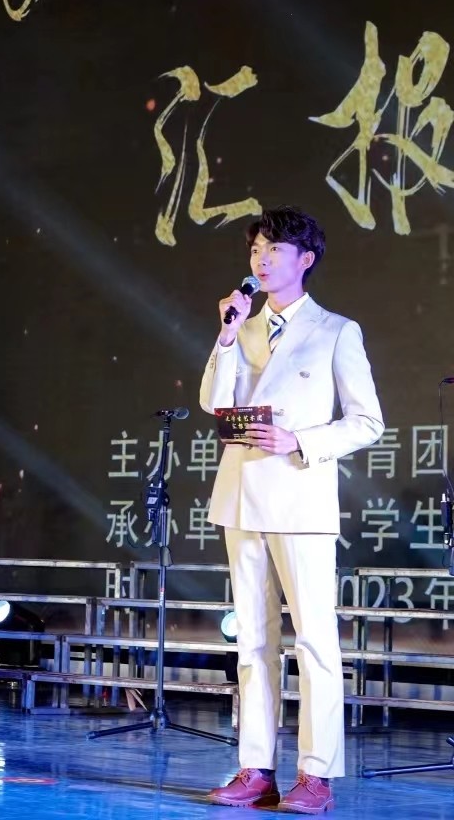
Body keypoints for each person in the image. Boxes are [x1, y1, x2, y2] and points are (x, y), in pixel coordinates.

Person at [200, 207, 382, 813]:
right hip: (242, 497)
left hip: (301, 499)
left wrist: (299, 440)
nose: (261, 259)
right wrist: (227, 335)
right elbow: (213, 403)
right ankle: (255, 769)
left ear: (306, 259)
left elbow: (368, 422)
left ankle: (316, 775)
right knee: (252, 641)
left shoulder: (337, 331)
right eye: (256, 249)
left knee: (315, 641)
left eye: (274, 249)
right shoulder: (242, 326)